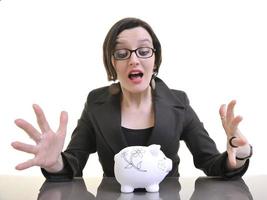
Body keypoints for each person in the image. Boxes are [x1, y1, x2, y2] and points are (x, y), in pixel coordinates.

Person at [11, 17, 252, 181]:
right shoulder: (96, 104)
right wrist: (55, 163)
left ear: (155, 60)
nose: (134, 60)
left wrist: (237, 157)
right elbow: (74, 162)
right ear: (112, 62)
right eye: (122, 53)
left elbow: (210, 162)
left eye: (144, 51)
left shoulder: (179, 103)